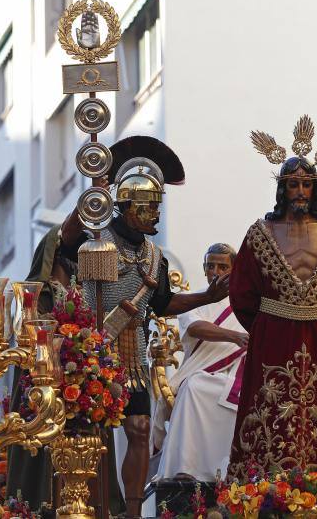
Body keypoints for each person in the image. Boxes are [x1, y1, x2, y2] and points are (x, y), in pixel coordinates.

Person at [60, 136, 229, 518]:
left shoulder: (155, 256)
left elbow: (164, 303)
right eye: (149, 206)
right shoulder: (96, 239)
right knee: (90, 437)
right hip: (94, 350)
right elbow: (65, 244)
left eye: (157, 206)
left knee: (138, 429)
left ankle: (133, 512)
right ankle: (87, 506)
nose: (156, 214)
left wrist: (207, 297)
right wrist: (92, 196)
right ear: (129, 206)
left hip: (134, 353)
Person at [226, 116, 317, 479]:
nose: (300, 191)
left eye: (306, 184)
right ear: (281, 189)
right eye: (293, 185)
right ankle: (262, 488)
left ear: (315, 188)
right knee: (271, 412)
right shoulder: (259, 233)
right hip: (274, 337)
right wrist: (270, 323)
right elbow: (241, 294)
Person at [151, 243, 248, 481]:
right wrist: (233, 336)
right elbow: (195, 327)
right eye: (210, 266)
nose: (215, 271)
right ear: (204, 269)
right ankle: (186, 469)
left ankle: (234, 472)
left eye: (223, 266)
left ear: (234, 270)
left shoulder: (246, 302)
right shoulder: (193, 300)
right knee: (194, 386)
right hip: (201, 373)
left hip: (240, 374)